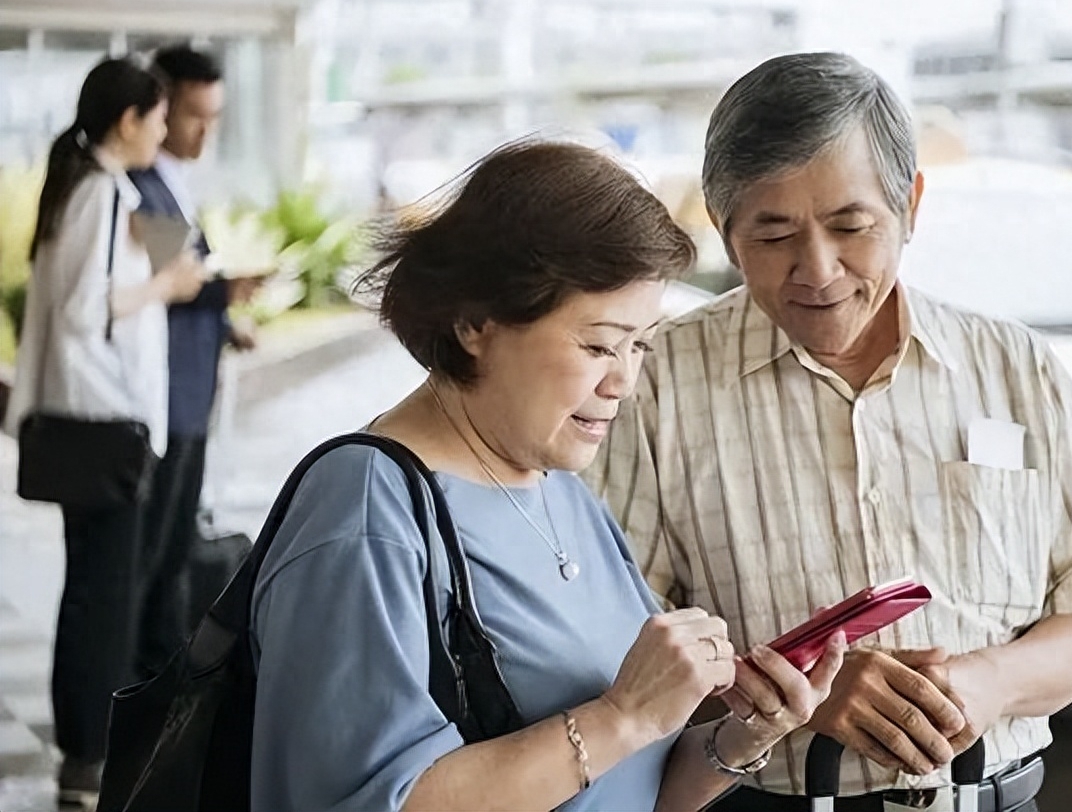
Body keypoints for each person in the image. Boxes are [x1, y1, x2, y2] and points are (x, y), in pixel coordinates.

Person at [583, 52, 1072, 812]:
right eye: (774, 236)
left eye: (851, 227)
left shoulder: (1017, 367)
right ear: (727, 236)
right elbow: (614, 649)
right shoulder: (653, 383)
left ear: (911, 206)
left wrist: (989, 680)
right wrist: (798, 698)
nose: (818, 270)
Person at [248, 140, 846, 812]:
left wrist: (738, 737)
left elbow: (630, 787)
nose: (623, 381)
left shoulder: (557, 485)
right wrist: (623, 716)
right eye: (596, 344)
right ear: (476, 321)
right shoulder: (366, 512)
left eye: (639, 344)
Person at [2, 57, 207, 807]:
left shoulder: (91, 186)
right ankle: (90, 759)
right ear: (130, 121)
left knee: (92, 592)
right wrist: (168, 285)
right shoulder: (98, 190)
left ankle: (83, 756)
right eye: (158, 117)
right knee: (103, 598)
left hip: (94, 426)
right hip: (104, 428)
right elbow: (89, 311)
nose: (164, 129)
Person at [128, 44, 259, 680]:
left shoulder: (175, 183)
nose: (205, 131)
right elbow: (167, 277)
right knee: (153, 557)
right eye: (192, 116)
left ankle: (158, 681)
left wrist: (227, 318)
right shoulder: (140, 183)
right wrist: (224, 290)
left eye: (215, 116)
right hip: (163, 399)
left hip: (188, 393)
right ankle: (141, 687)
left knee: (172, 549)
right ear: (159, 107)